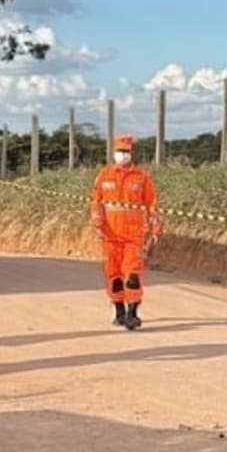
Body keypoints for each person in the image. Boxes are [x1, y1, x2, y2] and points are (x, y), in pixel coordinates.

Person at [90, 134, 162, 330]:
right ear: (113, 152)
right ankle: (119, 310)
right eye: (119, 151)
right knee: (113, 275)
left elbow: (152, 205)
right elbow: (96, 202)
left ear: (131, 153)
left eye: (126, 152)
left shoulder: (142, 177)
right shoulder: (104, 175)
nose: (123, 155)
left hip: (134, 236)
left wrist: (155, 228)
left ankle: (133, 314)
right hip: (110, 236)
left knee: (132, 275)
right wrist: (97, 223)